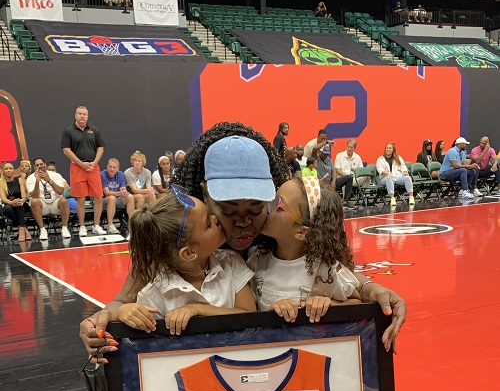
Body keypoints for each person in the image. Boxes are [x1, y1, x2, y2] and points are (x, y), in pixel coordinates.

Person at [80, 122, 406, 360]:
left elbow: (337, 273)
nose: (243, 222)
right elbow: (123, 300)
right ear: (204, 193)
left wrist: (374, 292)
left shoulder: (282, 232)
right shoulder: (181, 228)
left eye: (256, 208)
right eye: (227, 209)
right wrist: (100, 322)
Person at [116, 187, 256, 335]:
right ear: (189, 253)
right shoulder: (154, 292)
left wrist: (197, 309)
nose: (216, 218)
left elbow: (249, 315)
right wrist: (125, 312)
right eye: (208, 224)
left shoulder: (231, 262)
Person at [248, 176, 361, 323]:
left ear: (302, 232)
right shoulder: (257, 258)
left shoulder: (324, 270)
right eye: (272, 198)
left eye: (278, 205)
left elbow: (357, 302)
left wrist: (329, 305)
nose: (266, 206)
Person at [61, 105, 105, 237]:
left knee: (98, 196)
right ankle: (82, 227)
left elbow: (101, 147)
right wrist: (81, 164)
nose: (82, 116)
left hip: (93, 167)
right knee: (80, 198)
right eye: (79, 114)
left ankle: (96, 225)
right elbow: (66, 150)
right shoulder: (69, 130)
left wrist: (95, 162)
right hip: (77, 167)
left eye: (84, 114)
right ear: (75, 115)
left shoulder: (94, 129)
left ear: (87, 116)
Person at [26, 157, 71, 241]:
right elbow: (34, 196)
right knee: (34, 201)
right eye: (37, 165)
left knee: (64, 201)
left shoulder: (55, 175)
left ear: (45, 165)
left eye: (41, 164)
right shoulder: (30, 178)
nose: (39, 166)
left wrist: (49, 180)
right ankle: (42, 229)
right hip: (42, 204)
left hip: (55, 202)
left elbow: (60, 191)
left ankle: (64, 227)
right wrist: (37, 181)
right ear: (34, 167)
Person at [439, 137, 478, 203]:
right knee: (463, 170)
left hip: (456, 172)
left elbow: (465, 165)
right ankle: (464, 191)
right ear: (460, 144)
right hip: (445, 173)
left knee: (472, 172)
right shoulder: (452, 151)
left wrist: (472, 166)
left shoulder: (462, 153)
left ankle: (464, 190)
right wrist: (469, 166)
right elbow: (455, 166)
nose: (466, 145)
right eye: (465, 144)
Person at [100, 158, 135, 233]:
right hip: (103, 200)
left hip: (117, 198)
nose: (112, 169)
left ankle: (131, 223)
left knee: (130, 197)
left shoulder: (121, 174)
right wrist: (120, 193)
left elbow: (123, 188)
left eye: (114, 167)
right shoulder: (102, 174)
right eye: (110, 167)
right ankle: (110, 225)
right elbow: (107, 193)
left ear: (118, 168)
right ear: (107, 166)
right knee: (112, 198)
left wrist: (124, 192)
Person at [0, 161, 31, 241]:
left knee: (19, 205)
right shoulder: (1, 183)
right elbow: (3, 198)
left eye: (10, 168)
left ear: (14, 170)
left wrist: (21, 200)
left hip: (22, 204)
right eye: (6, 169)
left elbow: (24, 196)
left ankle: (21, 229)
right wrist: (12, 202)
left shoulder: (20, 180)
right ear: (3, 171)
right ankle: (23, 228)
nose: (8, 170)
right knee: (7, 208)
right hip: (9, 204)